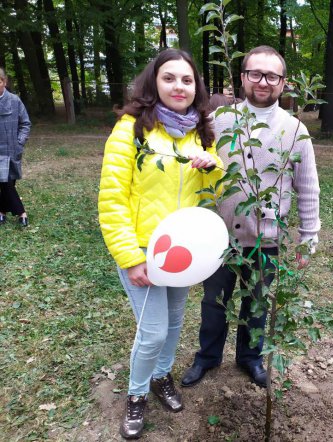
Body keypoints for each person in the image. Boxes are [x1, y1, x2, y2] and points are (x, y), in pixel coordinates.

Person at [97, 48, 223, 439]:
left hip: (183, 256)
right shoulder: (132, 128)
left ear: (196, 87)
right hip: (144, 253)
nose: (179, 86)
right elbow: (112, 198)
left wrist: (211, 167)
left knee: (172, 324)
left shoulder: (201, 131)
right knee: (151, 331)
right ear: (154, 82)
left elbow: (212, 194)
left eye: (187, 80)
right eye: (170, 78)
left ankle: (161, 376)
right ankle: (136, 397)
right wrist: (131, 258)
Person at [181, 46, 321, 389]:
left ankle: (250, 358)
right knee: (214, 303)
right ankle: (208, 357)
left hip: (266, 239)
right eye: (255, 73)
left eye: (272, 76)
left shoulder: (296, 131)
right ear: (243, 77)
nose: (263, 82)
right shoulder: (220, 121)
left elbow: (308, 187)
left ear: (283, 83)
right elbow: (190, 160)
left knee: (256, 305)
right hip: (219, 238)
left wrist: (309, 236)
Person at [0, 67, 31, 227]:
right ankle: (21, 213)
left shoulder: (14, 100)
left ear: (4, 82)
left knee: (8, 182)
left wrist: (19, 143)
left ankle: (3, 211)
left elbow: (25, 123)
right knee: (4, 182)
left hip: (11, 150)